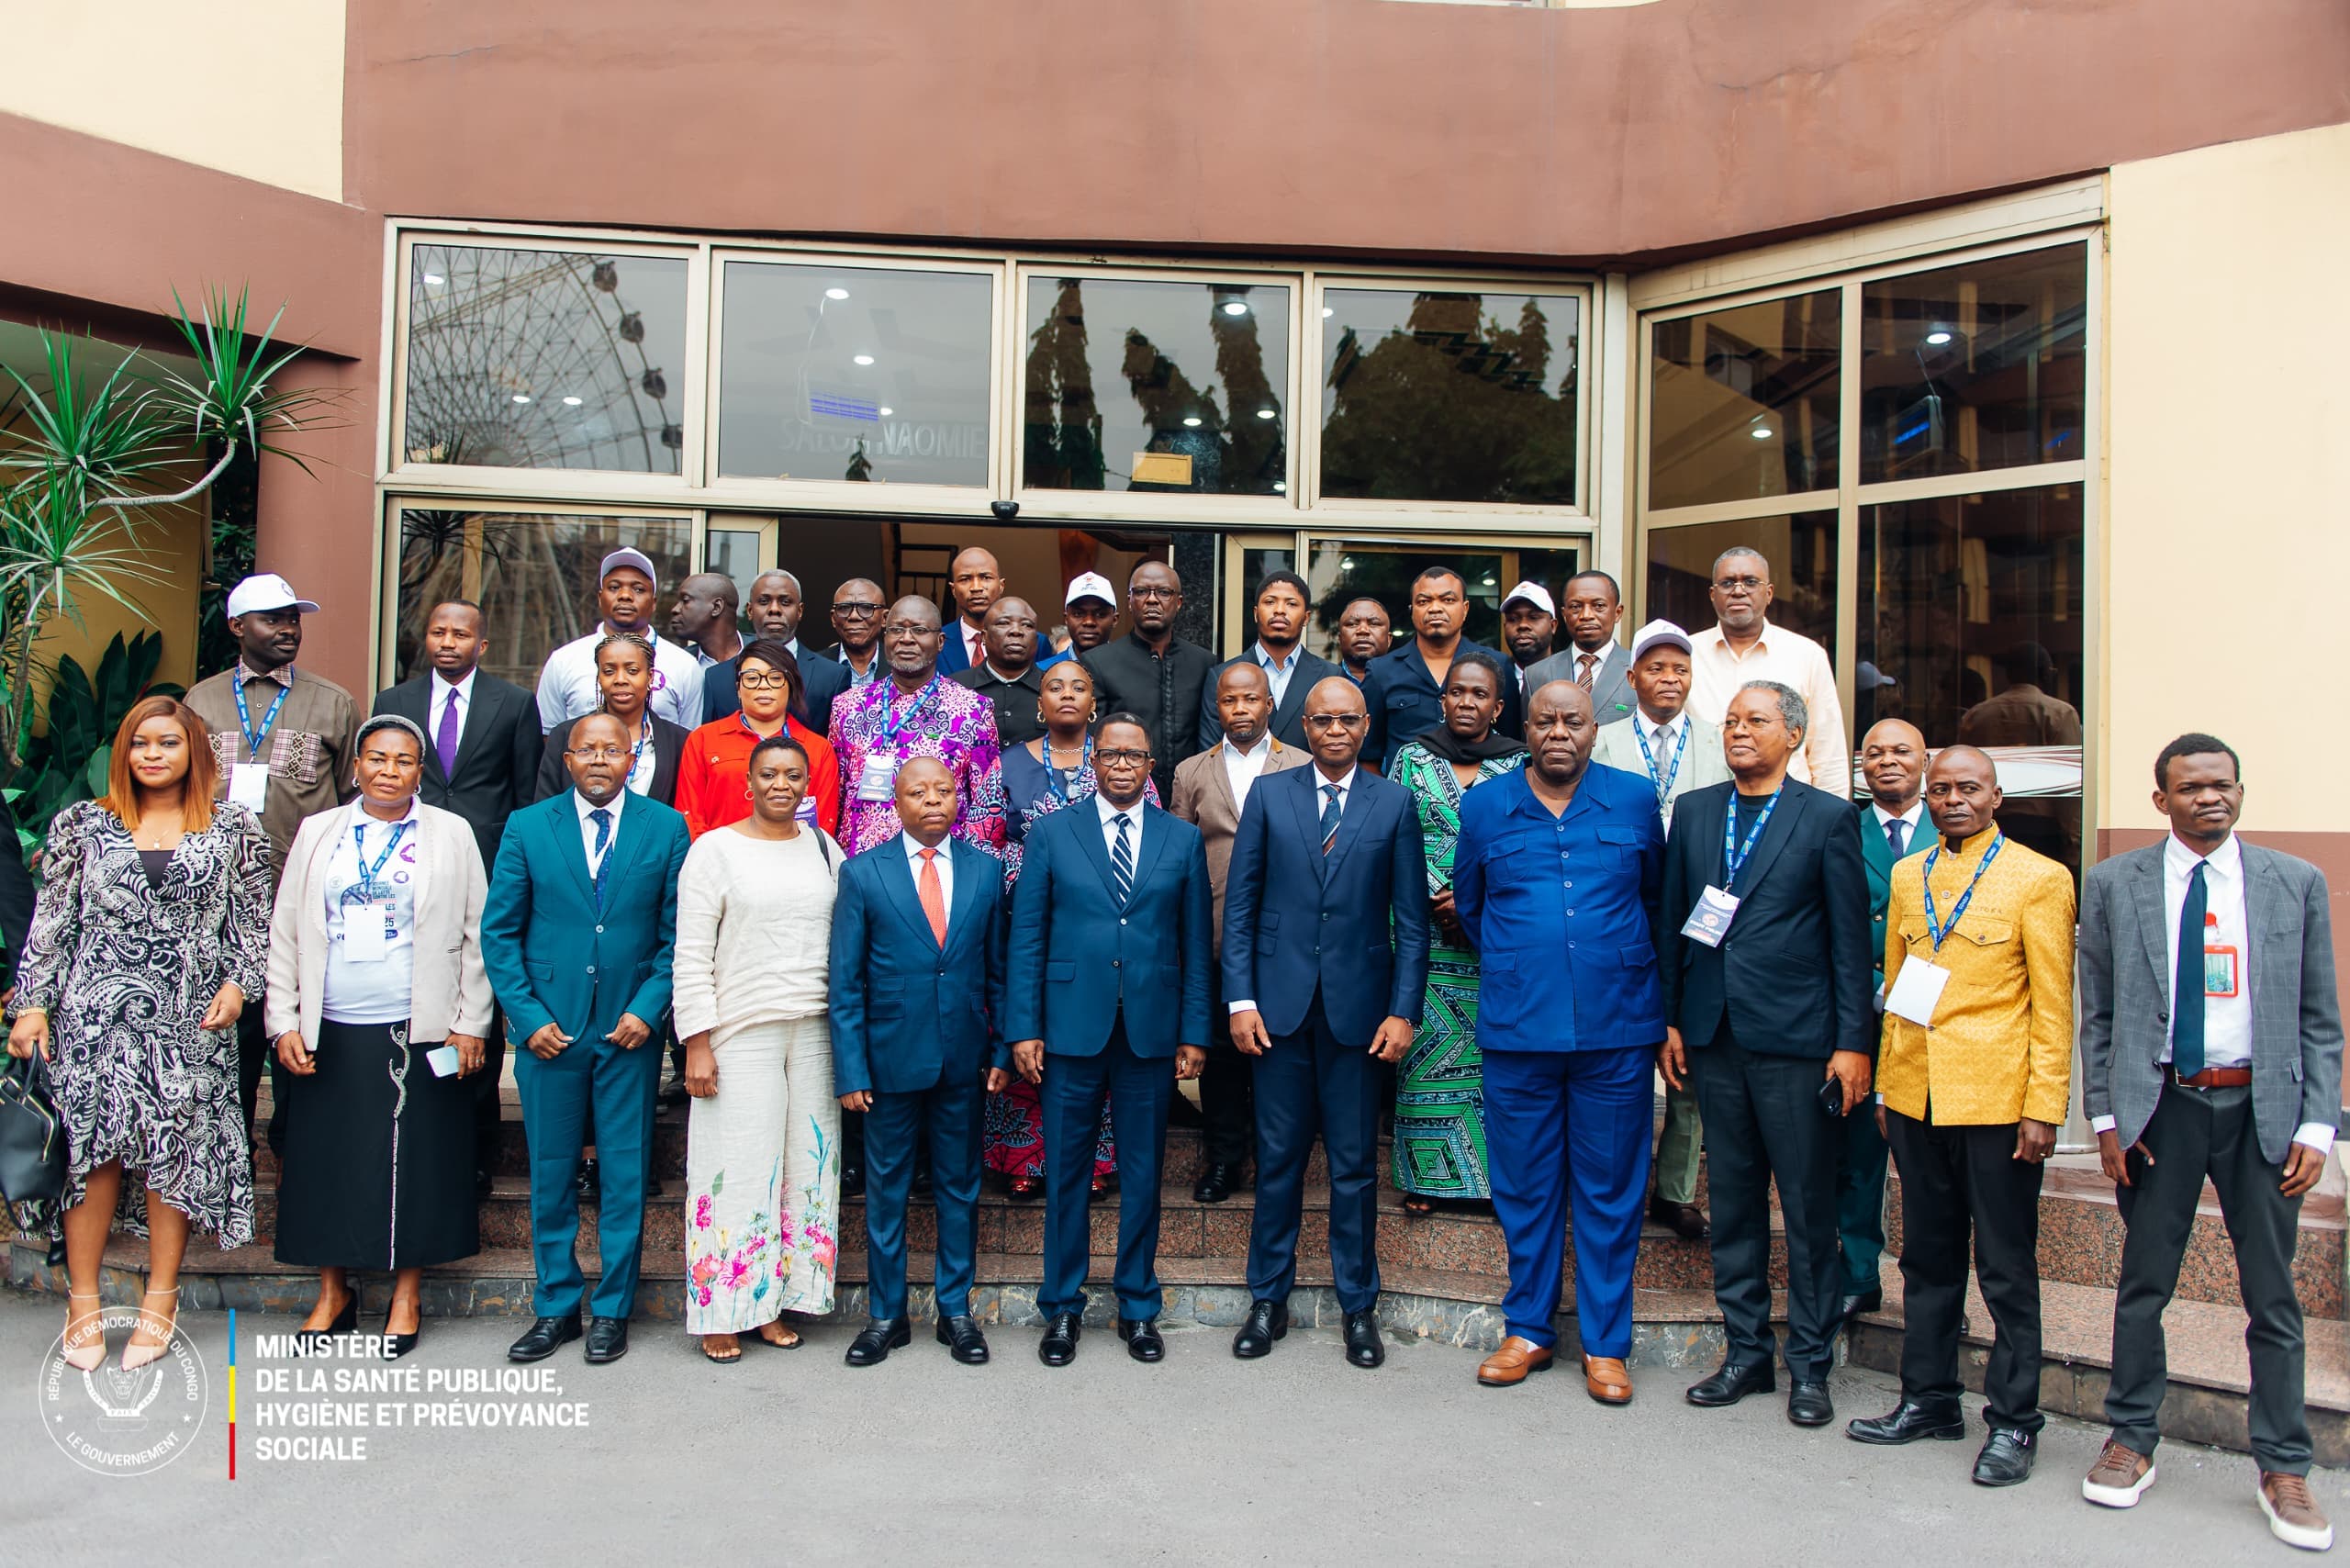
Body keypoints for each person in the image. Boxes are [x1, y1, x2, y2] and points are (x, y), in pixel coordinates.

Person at [2076, 735, 2342, 1551]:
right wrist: (2107, 1118)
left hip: (2262, 1111)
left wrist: (2317, 1123)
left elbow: (2321, 1018)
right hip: (2161, 1111)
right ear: (2162, 801)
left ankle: (2283, 1465)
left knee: (2273, 1294)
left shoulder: (2292, 883)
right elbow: (2098, 1014)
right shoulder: (2116, 883)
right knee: (2144, 1283)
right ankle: (2131, 1438)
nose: (2210, 799)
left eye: (2222, 786)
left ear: (2239, 792)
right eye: (2191, 788)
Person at [6, 699, 272, 1372]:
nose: (153, 755)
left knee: (171, 1160)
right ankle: (85, 1303)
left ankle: (160, 1300)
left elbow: (250, 930)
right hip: (92, 1018)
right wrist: (32, 1005)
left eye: (168, 743)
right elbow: (50, 922)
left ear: (194, 753)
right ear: (124, 752)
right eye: (140, 744)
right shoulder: (85, 826)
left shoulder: (234, 828)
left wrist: (239, 990)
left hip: (188, 1020)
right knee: (90, 1161)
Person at [1847, 745, 2075, 1485]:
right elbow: (1897, 990)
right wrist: (1885, 1087)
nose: (1953, 800)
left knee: (2005, 1267)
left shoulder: (2040, 879)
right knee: (1926, 1260)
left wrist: (2045, 1109)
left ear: (1996, 796)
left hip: (1998, 1102)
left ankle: (2013, 1422)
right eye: (1941, 788)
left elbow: (2053, 1006)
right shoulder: (1911, 876)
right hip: (1916, 1097)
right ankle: (1930, 1400)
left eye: (1968, 788)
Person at [1660, 679, 1873, 1428]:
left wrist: (1853, 1044)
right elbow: (1673, 924)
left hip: (1798, 1044)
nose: (1739, 731)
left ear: (1793, 734)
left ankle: (1810, 1365)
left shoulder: (1828, 819)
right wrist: (1672, 1018)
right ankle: (1745, 1353)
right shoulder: (1694, 812)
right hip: (1713, 1036)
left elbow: (1850, 945)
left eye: (1756, 721)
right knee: (1736, 1205)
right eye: (1733, 721)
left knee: (1810, 1210)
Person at [1453, 679, 1665, 1403]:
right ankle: (1529, 1330)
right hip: (1520, 1028)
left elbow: (1656, 899)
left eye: (1573, 720)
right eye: (1544, 720)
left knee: (1610, 1189)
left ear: (1594, 728)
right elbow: (1472, 906)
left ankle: (1607, 1346)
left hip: (1618, 1026)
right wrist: (1529, 963)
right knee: (1526, 1185)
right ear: (1526, 727)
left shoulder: (1635, 799)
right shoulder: (1485, 803)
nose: (1558, 733)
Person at [266, 714, 493, 1361]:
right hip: (331, 1022)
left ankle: (405, 1296)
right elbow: (287, 928)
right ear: (357, 766)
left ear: (420, 771)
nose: (389, 770)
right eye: (377, 758)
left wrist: (468, 1021)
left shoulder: (450, 833)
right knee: (326, 1161)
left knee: (419, 1161)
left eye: (404, 760)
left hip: (419, 1026)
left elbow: (478, 932)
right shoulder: (319, 832)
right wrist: (282, 1018)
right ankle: (333, 1292)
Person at [1224, 677, 1430, 1370]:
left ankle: (1358, 1307)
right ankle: (1267, 1300)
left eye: (1348, 719)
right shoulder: (1270, 794)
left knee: (1352, 1168)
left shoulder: (1394, 802)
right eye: (1322, 720)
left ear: (1366, 725)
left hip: (1361, 1015)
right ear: (1303, 726)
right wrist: (1240, 1001)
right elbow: (1242, 909)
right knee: (1278, 1162)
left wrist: (1404, 1010)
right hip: (1277, 1012)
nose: (1336, 730)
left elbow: (1413, 921)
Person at [481, 712, 692, 1366]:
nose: (600, 758)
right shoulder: (527, 827)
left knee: (625, 1174)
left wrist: (649, 1009)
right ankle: (555, 1308)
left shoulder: (667, 826)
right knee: (550, 1173)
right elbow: (500, 933)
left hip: (629, 1032)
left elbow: (677, 933)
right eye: (587, 749)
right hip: (551, 1031)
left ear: (634, 758)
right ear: (566, 759)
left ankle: (611, 1310)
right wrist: (526, 1018)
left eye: (613, 749)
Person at [1007, 715, 1213, 1367]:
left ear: (1151, 765)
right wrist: (1025, 1026)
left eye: (1136, 755)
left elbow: (1195, 947)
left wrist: (1194, 1032)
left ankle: (1137, 1307)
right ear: (1093, 761)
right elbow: (1028, 936)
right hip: (1069, 1027)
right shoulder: (1052, 832)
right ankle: (1062, 1308)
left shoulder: (1180, 840)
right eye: (1113, 754)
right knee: (1066, 1172)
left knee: (1144, 1176)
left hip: (1150, 1033)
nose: (1123, 765)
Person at [830, 758, 1010, 1368]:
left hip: (962, 1061)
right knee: (887, 1190)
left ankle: (954, 1311)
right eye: (918, 791)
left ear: (959, 798)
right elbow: (846, 983)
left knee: (959, 1188)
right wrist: (851, 1069)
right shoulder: (862, 874)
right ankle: (887, 1315)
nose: (933, 800)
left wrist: (1004, 1049)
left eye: (943, 790)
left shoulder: (986, 873)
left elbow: (998, 974)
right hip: (887, 1065)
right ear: (896, 802)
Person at [673, 733, 845, 1362]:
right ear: (748, 783)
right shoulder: (713, 852)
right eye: (769, 773)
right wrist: (697, 1042)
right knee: (737, 1167)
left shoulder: (828, 851)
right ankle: (724, 1308)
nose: (781, 784)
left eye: (793, 775)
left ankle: (776, 1302)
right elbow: (690, 953)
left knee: (807, 1168)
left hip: (816, 1030)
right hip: (740, 1029)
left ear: (808, 785)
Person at [184, 571, 361, 1144]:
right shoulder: (201, 701)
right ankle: (221, 1153)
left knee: (300, 1036)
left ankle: (295, 1158)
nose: (288, 629)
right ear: (237, 627)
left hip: (300, 897)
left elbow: (349, 797)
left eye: (294, 619)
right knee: (226, 1042)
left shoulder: (333, 702)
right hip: (215, 905)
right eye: (273, 619)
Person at [373, 599, 541, 1198]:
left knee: (478, 1013)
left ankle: (473, 1148)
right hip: (403, 875)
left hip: (486, 874)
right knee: (410, 1004)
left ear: (482, 643)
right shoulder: (394, 703)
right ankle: (411, 1135)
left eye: (461, 633)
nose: (448, 641)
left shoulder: (515, 705)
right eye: (439, 631)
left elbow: (524, 797)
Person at [1589, 619, 1729, 1241]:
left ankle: (1674, 1191)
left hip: (1700, 920)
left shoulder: (1721, 741)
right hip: (1622, 913)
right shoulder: (1602, 740)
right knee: (1616, 1058)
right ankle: (1609, 1186)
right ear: (1632, 677)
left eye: (1680, 669)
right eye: (1656, 668)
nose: (1669, 678)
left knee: (1689, 1057)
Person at [1383, 652, 1525, 1213]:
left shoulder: (1519, 765)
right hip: (1422, 933)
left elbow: (1527, 843)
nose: (1467, 702)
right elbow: (1390, 837)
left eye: (1479, 694)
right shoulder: (1412, 758)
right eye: (1457, 692)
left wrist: (1474, 901)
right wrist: (1429, 898)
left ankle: (1488, 1181)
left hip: (1493, 934)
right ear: (1443, 699)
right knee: (1424, 1052)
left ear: (1497, 705)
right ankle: (1426, 1177)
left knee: (1491, 1057)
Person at [992, 660, 1136, 1195]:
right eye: (1055, 686)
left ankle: (1095, 1164)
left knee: (1096, 1039)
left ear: (1093, 701)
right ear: (1040, 701)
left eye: (1079, 686)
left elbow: (1148, 835)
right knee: (1034, 1033)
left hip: (1104, 929)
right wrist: (1037, 875)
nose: (1067, 694)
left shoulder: (1121, 760)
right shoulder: (1008, 764)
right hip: (1029, 921)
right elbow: (986, 841)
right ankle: (1024, 1161)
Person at [1169, 662, 1308, 1204]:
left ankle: (1276, 1160)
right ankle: (1225, 1158)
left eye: (1251, 700)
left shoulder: (1301, 763)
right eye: (1230, 701)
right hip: (1215, 933)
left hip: (1286, 937)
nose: (1241, 709)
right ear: (1217, 708)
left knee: (1280, 1051)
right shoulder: (1190, 772)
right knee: (1223, 1058)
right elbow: (1179, 856)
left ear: (1269, 704)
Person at [1841, 717, 1929, 1316]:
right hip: (1860, 1016)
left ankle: (1931, 1287)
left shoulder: (1953, 827)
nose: (1887, 761)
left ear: (1926, 762)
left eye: (1902, 751)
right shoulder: (1838, 828)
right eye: (1874, 753)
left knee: (1930, 1170)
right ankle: (1856, 1276)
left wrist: (1909, 995)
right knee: (1856, 1160)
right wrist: (1876, 989)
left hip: (1934, 1024)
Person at [829, 595, 1008, 861]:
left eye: (919, 630)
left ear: (940, 642)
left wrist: (977, 873)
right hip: (861, 865)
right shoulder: (847, 707)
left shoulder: (974, 710)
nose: (906, 639)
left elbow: (986, 802)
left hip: (940, 865)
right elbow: (836, 796)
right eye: (897, 629)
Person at [1685, 547, 1850, 797]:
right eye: (1728, 583)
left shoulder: (1806, 654)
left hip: (1790, 811)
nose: (1738, 591)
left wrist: (1827, 822)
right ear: (1712, 594)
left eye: (1750, 582)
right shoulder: (1686, 655)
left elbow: (1828, 753)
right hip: (1708, 806)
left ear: (1769, 593)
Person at [674, 638, 843, 839]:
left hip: (791, 862)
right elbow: (690, 816)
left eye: (775, 677)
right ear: (738, 688)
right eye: (752, 678)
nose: (764, 686)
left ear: (791, 686)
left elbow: (822, 825)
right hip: (719, 861)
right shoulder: (703, 740)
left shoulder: (818, 749)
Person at [1080, 561, 1216, 802]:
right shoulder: (1099, 663)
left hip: (1193, 797)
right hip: (1124, 797)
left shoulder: (1204, 663)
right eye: (1142, 592)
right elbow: (1094, 742)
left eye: (1163, 592)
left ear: (1179, 602)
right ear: (1129, 601)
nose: (1152, 600)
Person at [1362, 567, 1522, 769]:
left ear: (1465, 609)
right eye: (1424, 601)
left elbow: (1512, 744)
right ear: (1412, 610)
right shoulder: (1381, 671)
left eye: (1447, 600)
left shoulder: (1496, 666)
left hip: (1482, 795)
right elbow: (1369, 757)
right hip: (1405, 797)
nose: (1435, 608)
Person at [534, 547, 703, 732]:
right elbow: (549, 737)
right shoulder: (563, 661)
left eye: (638, 589)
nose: (625, 596)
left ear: (653, 602)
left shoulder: (684, 665)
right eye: (614, 588)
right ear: (600, 598)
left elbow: (690, 741)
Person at [533, 631, 690, 806]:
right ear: (599, 678)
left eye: (632, 671)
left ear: (650, 677)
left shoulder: (680, 742)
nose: (620, 680)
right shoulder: (564, 736)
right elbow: (545, 808)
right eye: (609, 671)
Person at [1197, 570, 1340, 752]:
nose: (1279, 610)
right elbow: (1210, 753)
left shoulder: (1330, 676)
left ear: (1306, 618)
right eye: (1270, 602)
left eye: (1291, 603)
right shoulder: (1221, 675)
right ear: (1256, 613)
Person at [703, 569, 852, 733]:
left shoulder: (832, 676)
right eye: (764, 601)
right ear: (750, 611)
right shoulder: (716, 678)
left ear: (800, 611)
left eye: (785, 602)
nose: (774, 609)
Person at [1525, 571, 1635, 726]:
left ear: (1617, 613)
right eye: (1576, 607)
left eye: (1598, 606)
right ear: (1564, 614)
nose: (1586, 615)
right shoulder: (1535, 675)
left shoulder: (1638, 670)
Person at [952, 597, 1049, 748]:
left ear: (1036, 640)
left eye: (1027, 625)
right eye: (1004, 623)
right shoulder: (955, 688)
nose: (1016, 631)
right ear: (984, 637)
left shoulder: (1053, 689)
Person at [935, 546, 1004, 676]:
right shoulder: (935, 643)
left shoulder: (1033, 642)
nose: (976, 587)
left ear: (1001, 586)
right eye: (965, 579)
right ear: (953, 590)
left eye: (986, 577)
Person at [669, 570, 745, 673]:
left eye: (686, 600)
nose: (675, 609)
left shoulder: (767, 655)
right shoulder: (678, 666)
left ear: (716, 607)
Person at [825, 577, 888, 689]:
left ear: (884, 618)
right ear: (833, 618)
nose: (854, 616)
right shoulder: (812, 668)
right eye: (844, 608)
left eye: (866, 608)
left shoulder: (900, 667)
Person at [1497, 580, 1557, 673]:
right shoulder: (1493, 679)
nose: (1523, 625)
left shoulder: (1570, 677)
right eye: (1513, 619)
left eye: (1533, 617)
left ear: (1553, 626)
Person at [1060, 572, 1121, 658]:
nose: (1089, 622)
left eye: (1101, 614)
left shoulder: (1129, 669)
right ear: (1066, 619)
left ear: (1114, 620)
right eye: (1078, 614)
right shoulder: (1046, 670)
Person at [1336, 597, 1392, 687]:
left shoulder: (1407, 681)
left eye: (1374, 623)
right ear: (1340, 638)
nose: (1363, 630)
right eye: (1352, 624)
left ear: (1389, 639)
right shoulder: (1322, 681)